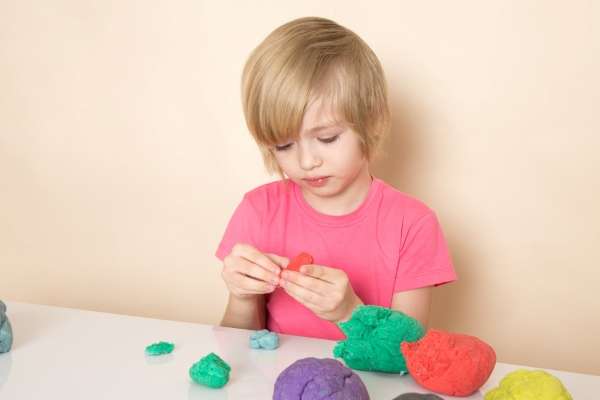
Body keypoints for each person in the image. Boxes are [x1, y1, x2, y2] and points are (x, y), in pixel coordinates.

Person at [215, 17, 456, 340]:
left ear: (372, 121)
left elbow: (409, 352)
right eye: (284, 145)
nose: (307, 161)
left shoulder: (412, 224)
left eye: (327, 138)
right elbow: (237, 345)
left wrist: (350, 313)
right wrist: (242, 297)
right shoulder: (259, 210)